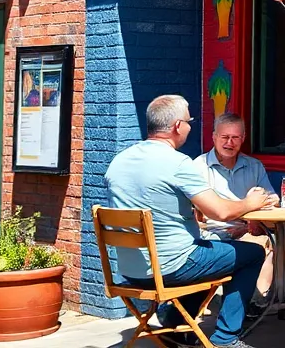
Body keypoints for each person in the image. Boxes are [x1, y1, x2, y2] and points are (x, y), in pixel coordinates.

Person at [105, 95, 271, 348]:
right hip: (172, 267)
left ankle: (174, 322)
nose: (191, 127)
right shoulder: (178, 163)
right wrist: (250, 204)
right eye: (189, 120)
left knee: (211, 253)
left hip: (130, 270)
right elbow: (220, 213)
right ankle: (225, 338)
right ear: (177, 126)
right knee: (253, 253)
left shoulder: (119, 161)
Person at [193, 114, 280, 308]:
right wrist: (248, 209)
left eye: (235, 138)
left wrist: (254, 220)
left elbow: (272, 198)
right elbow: (194, 211)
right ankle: (250, 303)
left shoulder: (254, 166)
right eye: (224, 137)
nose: (229, 143)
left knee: (283, 239)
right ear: (214, 137)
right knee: (258, 246)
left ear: (243, 138)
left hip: (246, 231)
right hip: (211, 234)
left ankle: (257, 300)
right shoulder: (197, 167)